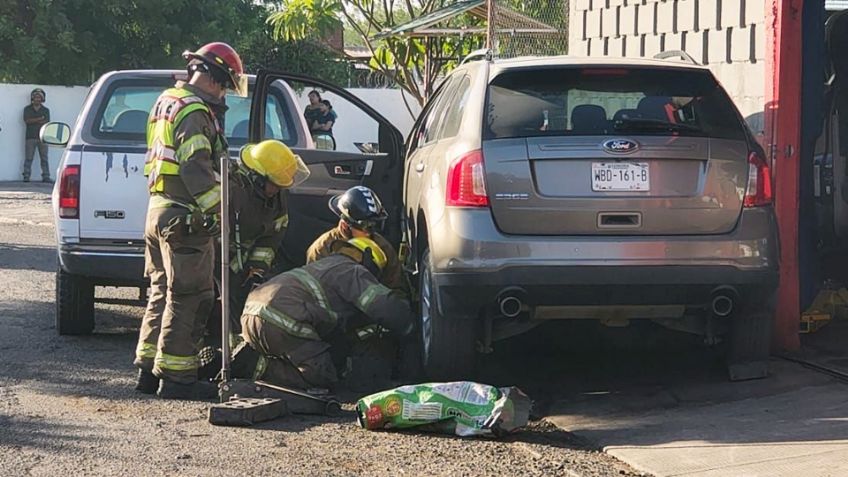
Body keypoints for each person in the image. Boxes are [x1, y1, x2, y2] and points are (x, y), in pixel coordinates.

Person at [133, 42, 246, 400]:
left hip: (158, 210)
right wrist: (217, 211)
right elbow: (195, 166)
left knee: (161, 293)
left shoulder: (167, 100)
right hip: (185, 215)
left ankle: (147, 372)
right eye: (224, 83)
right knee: (191, 295)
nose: (224, 92)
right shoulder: (195, 112)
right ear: (212, 78)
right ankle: (177, 377)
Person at [233, 237, 415, 390]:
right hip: (282, 319)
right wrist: (413, 326)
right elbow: (384, 306)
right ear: (369, 262)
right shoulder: (352, 270)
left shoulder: (324, 266)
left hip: (251, 312)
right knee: (323, 376)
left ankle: (232, 356)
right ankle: (256, 367)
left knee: (302, 351)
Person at [306, 185, 405, 293]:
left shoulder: (382, 247)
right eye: (366, 227)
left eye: (374, 226)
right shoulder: (321, 250)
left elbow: (397, 287)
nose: (369, 233)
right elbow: (315, 293)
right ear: (345, 226)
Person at [22, 88, 51, 182]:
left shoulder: (46, 110)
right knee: (28, 158)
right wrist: (39, 119)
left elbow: (46, 122)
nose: (37, 99)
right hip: (30, 137)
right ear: (32, 98)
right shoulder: (27, 109)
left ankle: (46, 176)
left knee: (44, 158)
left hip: (43, 137)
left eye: (39, 97)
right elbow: (27, 121)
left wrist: (34, 120)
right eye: (35, 97)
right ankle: (26, 176)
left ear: (42, 99)